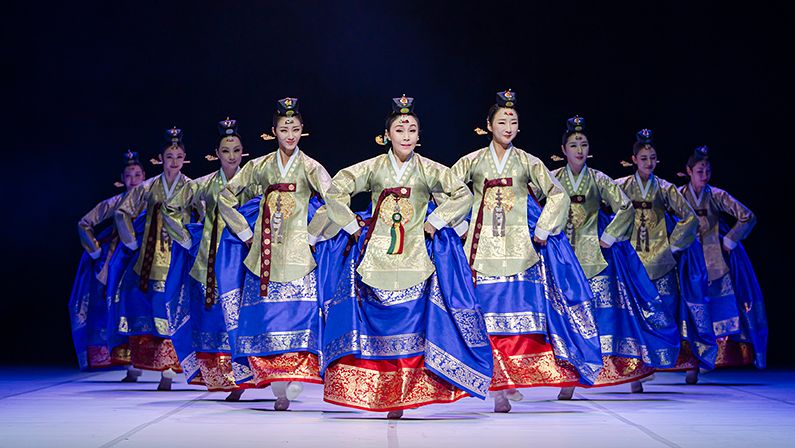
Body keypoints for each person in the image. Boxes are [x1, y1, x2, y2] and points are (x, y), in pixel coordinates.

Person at [319, 95, 492, 419]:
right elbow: (335, 189)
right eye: (400, 129)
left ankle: (406, 392)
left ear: (419, 135)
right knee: (375, 328)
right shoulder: (373, 167)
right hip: (376, 258)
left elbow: (463, 194)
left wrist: (435, 221)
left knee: (414, 328)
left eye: (412, 129)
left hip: (415, 258)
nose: (407, 135)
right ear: (387, 135)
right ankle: (379, 390)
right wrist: (352, 226)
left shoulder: (428, 169)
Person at [451, 91, 601, 410]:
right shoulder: (471, 162)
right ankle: (498, 386)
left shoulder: (528, 161)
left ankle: (509, 381)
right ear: (488, 125)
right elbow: (445, 189)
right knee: (488, 320)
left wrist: (544, 227)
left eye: (513, 122)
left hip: (521, 252)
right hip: (482, 252)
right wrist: (459, 224)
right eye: (502, 121)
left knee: (518, 322)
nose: (508, 127)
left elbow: (557, 194)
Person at [216, 98, 333, 410]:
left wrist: (312, 234)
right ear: (273, 132)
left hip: (299, 257)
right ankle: (279, 388)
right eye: (284, 129)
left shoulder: (311, 167)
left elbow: (335, 199)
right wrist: (245, 232)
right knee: (267, 322)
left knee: (300, 319)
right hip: (264, 256)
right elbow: (225, 197)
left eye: (295, 129)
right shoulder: (259, 166)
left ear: (302, 130)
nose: (290, 135)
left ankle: (293, 380)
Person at [551, 117, 679, 399]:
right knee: (568, 319)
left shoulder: (598, 179)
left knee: (605, 318)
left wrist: (609, 235)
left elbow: (625, 207)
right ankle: (568, 378)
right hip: (562, 258)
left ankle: (626, 372)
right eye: (574, 145)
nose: (580, 150)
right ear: (563, 149)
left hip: (596, 257)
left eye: (584, 144)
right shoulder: (553, 179)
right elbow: (534, 204)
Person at [616, 129, 715, 384]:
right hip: (633, 260)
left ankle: (676, 361)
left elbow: (689, 217)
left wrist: (673, 246)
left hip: (661, 259)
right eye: (643, 158)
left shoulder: (664, 188)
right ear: (634, 159)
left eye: (652, 158)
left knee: (667, 313)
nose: (649, 162)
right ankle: (637, 371)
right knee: (635, 315)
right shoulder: (622, 186)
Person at [113, 127, 196, 390]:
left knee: (176, 311)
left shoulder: (191, 187)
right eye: (169, 156)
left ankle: (171, 369)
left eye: (179, 156)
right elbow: (122, 212)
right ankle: (160, 368)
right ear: (160, 158)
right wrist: (131, 241)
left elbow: (206, 214)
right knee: (154, 312)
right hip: (151, 260)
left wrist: (195, 242)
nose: (174, 161)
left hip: (179, 257)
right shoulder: (148, 187)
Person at [679, 145, 766, 368]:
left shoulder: (716, 195)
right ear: (689, 171)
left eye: (708, 171)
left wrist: (730, 239)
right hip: (688, 261)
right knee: (690, 311)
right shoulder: (678, 195)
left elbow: (747, 216)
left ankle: (715, 358)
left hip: (715, 261)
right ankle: (691, 360)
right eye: (700, 171)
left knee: (718, 310)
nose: (704, 175)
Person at [70, 150, 146, 381]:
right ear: (122, 178)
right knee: (124, 309)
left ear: (144, 176)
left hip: (150, 257)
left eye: (137, 174)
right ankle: (131, 365)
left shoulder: (151, 200)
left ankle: (161, 363)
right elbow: (84, 223)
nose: (133, 180)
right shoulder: (115, 203)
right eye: (128, 175)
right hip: (122, 260)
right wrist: (95, 251)